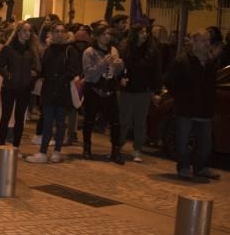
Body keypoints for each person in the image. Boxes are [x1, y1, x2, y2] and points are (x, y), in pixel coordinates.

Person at [164, 30, 221, 182]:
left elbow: (211, 87)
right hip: (186, 110)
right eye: (203, 41)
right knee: (183, 142)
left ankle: (200, 167)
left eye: (208, 40)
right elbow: (169, 81)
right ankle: (183, 167)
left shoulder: (209, 62)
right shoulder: (182, 61)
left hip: (204, 110)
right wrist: (182, 97)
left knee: (205, 143)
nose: (207, 44)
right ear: (194, 43)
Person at [26, 24, 81, 163]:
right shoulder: (49, 49)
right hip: (49, 89)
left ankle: (57, 151)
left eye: (62, 31)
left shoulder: (70, 49)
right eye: (56, 31)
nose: (59, 34)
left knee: (61, 122)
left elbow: (73, 70)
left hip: (62, 90)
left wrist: (60, 79)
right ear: (52, 33)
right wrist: (37, 73)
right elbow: (44, 69)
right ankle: (43, 152)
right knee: (47, 122)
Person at [117, 23, 161, 163]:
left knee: (140, 122)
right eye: (141, 31)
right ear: (134, 33)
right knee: (123, 120)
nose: (144, 34)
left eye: (146, 31)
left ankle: (137, 149)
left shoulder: (152, 50)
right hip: (127, 89)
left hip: (144, 91)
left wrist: (156, 90)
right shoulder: (125, 48)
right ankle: (117, 146)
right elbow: (118, 66)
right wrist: (120, 79)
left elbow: (156, 71)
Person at [82, 26, 125, 163]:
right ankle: (87, 148)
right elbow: (88, 73)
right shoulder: (89, 52)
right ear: (97, 36)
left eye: (109, 34)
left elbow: (116, 72)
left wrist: (119, 65)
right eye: (104, 34)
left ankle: (116, 151)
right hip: (94, 89)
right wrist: (103, 63)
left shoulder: (113, 50)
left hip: (109, 89)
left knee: (115, 122)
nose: (107, 37)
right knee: (89, 120)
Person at [0, 22, 41, 147]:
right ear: (18, 32)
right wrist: (8, 75)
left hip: (25, 88)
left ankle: (16, 145)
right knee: (6, 116)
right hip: (9, 87)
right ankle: (2, 144)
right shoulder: (8, 49)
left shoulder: (31, 50)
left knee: (20, 118)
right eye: (25, 31)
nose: (28, 33)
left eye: (29, 31)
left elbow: (38, 68)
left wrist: (33, 74)